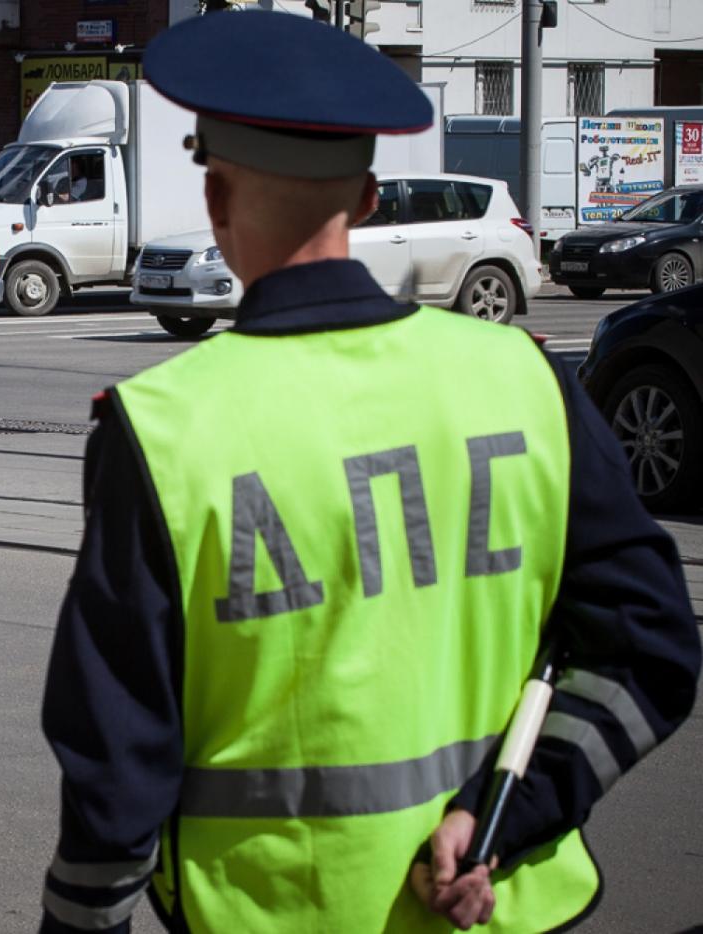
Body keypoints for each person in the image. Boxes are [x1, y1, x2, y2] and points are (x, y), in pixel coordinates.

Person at [38, 11, 700, 934]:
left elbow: (116, 768)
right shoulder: (524, 378)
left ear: (218, 199)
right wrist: (507, 814)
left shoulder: (162, 432)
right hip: (497, 907)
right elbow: (652, 650)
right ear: (371, 199)